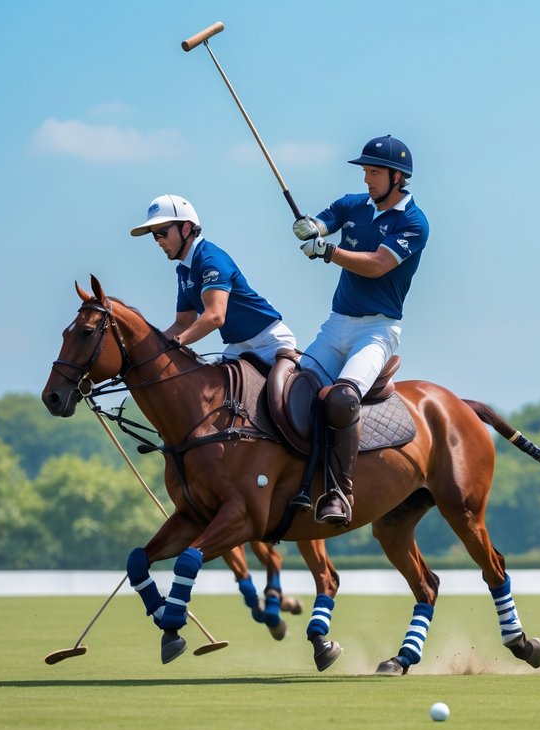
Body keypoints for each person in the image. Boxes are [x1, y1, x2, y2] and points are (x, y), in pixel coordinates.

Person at [290, 136, 430, 526]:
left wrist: (328, 252)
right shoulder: (353, 205)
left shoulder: (413, 223)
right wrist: (309, 228)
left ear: (397, 177)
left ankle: (341, 492)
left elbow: (377, 264)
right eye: (365, 171)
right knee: (294, 389)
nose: (367, 179)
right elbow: (323, 221)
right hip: (336, 326)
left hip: (377, 331)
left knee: (342, 400)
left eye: (374, 172)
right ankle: (296, 477)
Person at [129, 194, 296, 368]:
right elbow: (183, 323)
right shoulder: (184, 270)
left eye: (162, 233)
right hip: (238, 349)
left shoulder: (210, 259)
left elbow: (215, 316)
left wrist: (176, 343)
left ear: (186, 228)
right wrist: (150, 347)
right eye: (154, 236)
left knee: (276, 396)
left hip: (271, 343)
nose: (159, 241)